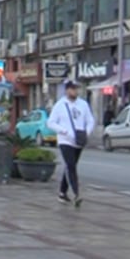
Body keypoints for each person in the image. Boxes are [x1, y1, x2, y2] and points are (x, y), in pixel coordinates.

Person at [47, 79, 95, 207]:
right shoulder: (60, 105)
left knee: (70, 166)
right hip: (65, 140)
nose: (75, 91)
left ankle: (62, 193)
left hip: (79, 140)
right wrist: (64, 131)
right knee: (71, 165)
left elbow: (90, 120)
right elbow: (51, 122)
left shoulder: (83, 104)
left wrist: (87, 132)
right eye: (72, 89)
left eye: (76, 89)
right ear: (67, 90)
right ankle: (76, 194)